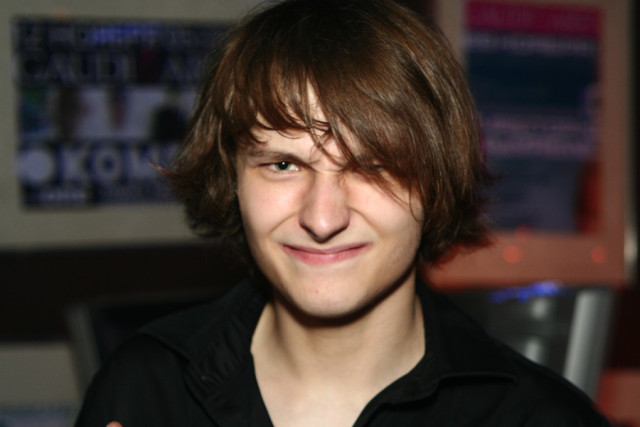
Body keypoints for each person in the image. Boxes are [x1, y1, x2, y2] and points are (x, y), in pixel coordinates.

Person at [75, 0, 610, 425]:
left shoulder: (537, 417)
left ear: (434, 181)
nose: (323, 218)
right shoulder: (146, 391)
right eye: (283, 164)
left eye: (373, 165)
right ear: (231, 178)